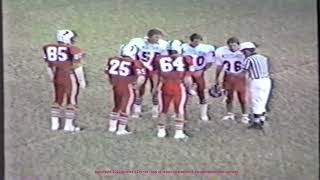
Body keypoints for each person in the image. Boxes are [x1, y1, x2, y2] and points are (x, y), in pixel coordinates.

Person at [42, 29, 86, 131]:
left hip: (56, 75)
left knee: (57, 100)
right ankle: (68, 126)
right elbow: (77, 67)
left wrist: (52, 78)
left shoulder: (48, 48)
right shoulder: (73, 49)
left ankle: (55, 125)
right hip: (68, 76)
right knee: (71, 101)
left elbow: (49, 66)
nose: (73, 40)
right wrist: (81, 81)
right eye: (71, 38)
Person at [151, 40, 194, 139]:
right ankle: (178, 133)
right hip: (178, 85)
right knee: (179, 110)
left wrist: (155, 87)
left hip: (164, 85)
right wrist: (190, 88)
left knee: (163, 110)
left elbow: (156, 74)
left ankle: (161, 132)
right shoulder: (185, 59)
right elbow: (187, 78)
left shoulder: (159, 58)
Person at [122, 29, 168, 118]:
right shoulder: (138, 42)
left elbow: (165, 58)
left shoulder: (163, 44)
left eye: (159, 37)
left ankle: (155, 109)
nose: (158, 39)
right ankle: (137, 108)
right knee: (139, 89)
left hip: (155, 69)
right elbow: (128, 51)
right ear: (149, 37)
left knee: (155, 89)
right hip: (141, 68)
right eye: (156, 37)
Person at [105, 45, 146, 135]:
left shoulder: (113, 60)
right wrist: (136, 86)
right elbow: (141, 78)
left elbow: (107, 74)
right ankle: (121, 129)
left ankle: (112, 127)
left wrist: (112, 82)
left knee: (116, 106)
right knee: (126, 107)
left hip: (116, 85)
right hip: (127, 87)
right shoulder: (135, 62)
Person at [214, 37, 250, 123]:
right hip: (228, 76)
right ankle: (229, 114)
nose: (232, 48)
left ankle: (245, 115)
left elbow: (249, 64)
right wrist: (217, 77)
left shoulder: (244, 52)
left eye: (234, 46)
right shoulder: (221, 51)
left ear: (238, 45)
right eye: (230, 46)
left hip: (240, 77)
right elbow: (219, 66)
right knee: (229, 97)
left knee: (242, 98)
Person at [181, 33, 215, 121]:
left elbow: (209, 61)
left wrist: (203, 70)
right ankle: (182, 113)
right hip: (187, 71)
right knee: (184, 93)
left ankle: (204, 114)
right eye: (195, 41)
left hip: (199, 71)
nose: (197, 43)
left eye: (198, 41)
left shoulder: (206, 48)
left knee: (201, 91)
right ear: (191, 41)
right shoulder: (183, 47)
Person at [240, 42, 272, 129]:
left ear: (247, 51)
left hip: (257, 82)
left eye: (243, 52)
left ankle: (257, 122)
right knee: (263, 100)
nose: (243, 54)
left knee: (256, 101)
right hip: (267, 81)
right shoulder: (263, 57)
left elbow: (243, 70)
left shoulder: (249, 59)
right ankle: (262, 119)